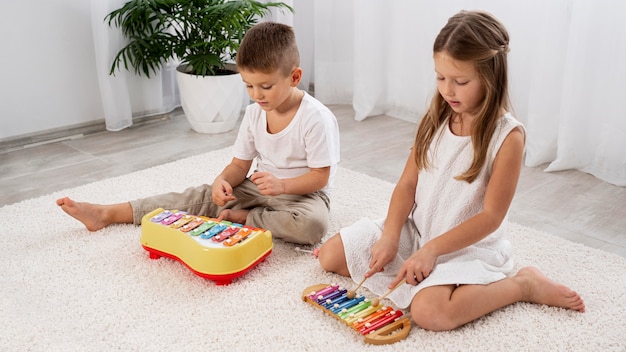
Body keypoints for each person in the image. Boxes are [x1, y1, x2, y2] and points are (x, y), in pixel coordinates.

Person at [317, 10, 584, 331]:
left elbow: (491, 217)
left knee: (431, 313)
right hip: (417, 232)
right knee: (330, 256)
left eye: (460, 81)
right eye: (440, 77)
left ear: (490, 76)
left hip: (467, 248)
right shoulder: (436, 118)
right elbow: (406, 186)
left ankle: (522, 284)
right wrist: (389, 236)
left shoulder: (507, 136)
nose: (448, 90)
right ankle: (414, 260)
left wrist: (432, 251)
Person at [57, 22, 340, 245]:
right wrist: (222, 181)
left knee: (312, 226)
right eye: (248, 86)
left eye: (265, 87)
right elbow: (240, 165)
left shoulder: (315, 117)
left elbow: (320, 176)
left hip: (304, 196)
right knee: (198, 198)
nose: (256, 95)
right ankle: (107, 213)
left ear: (294, 77)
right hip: (260, 188)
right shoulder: (255, 113)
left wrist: (283, 186)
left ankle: (244, 218)